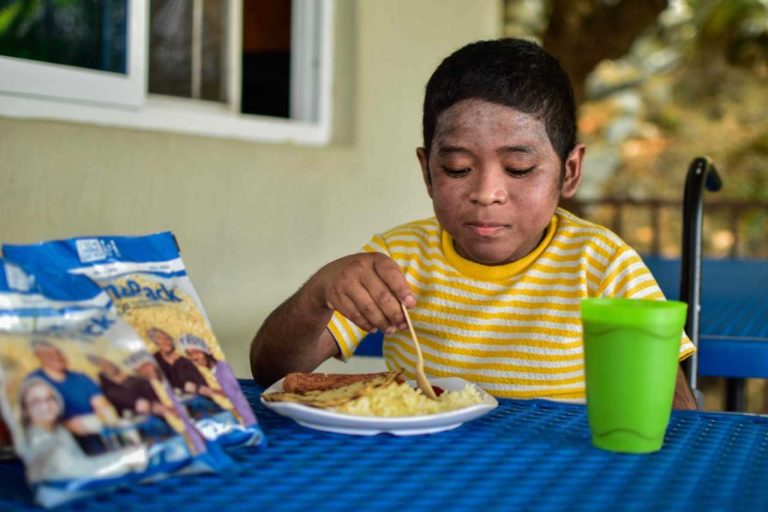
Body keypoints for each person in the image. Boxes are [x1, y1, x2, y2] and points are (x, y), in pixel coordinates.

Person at [249, 38, 697, 410]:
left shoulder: (603, 266)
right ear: (427, 172)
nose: (486, 192)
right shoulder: (398, 258)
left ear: (570, 171)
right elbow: (273, 372)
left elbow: (676, 414)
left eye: (519, 169)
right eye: (458, 168)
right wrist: (319, 292)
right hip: (422, 468)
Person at [18, 377, 145, 482]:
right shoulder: (38, 439)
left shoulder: (58, 430)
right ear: (25, 410)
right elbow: (80, 472)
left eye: (49, 399)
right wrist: (127, 459)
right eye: (35, 402)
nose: (45, 406)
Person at [26, 340, 119, 454]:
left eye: (58, 353)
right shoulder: (34, 382)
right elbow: (36, 421)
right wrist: (67, 426)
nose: (56, 357)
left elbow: (101, 404)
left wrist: (107, 417)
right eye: (49, 355)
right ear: (39, 357)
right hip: (58, 442)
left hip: (93, 435)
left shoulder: (81, 378)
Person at [179, 334, 257, 425]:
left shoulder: (222, 369)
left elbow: (233, 395)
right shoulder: (210, 372)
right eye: (189, 354)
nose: (194, 357)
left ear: (206, 351)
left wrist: (209, 391)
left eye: (196, 352)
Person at [148, 327, 209, 396]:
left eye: (167, 338)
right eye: (160, 338)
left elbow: (203, 385)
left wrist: (196, 388)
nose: (165, 341)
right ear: (155, 342)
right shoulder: (153, 360)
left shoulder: (185, 362)